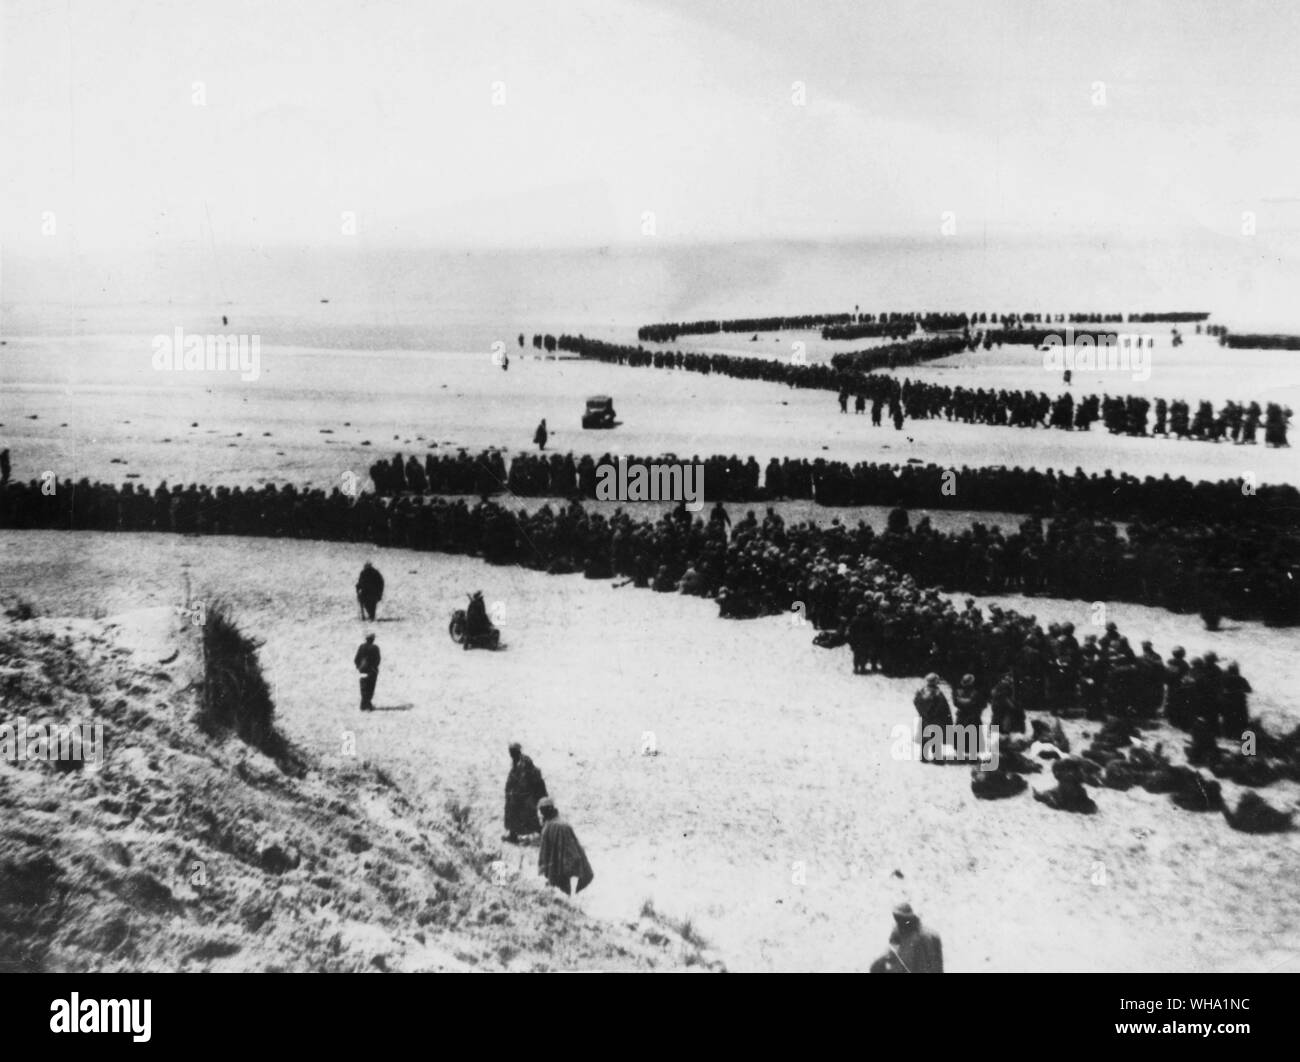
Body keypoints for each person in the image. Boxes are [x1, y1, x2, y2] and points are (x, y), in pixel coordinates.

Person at [537, 797, 594, 895]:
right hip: (566, 866)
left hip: (554, 870)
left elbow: (544, 852)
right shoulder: (565, 824)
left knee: (556, 891)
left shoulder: (548, 827)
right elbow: (576, 847)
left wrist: (543, 868)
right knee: (564, 888)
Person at [869, 903, 944, 973]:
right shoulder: (897, 931)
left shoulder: (926, 936)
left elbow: (935, 965)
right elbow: (890, 953)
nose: (898, 921)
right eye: (897, 919)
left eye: (901, 919)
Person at [503, 743, 548, 843]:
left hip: (526, 796)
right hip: (517, 796)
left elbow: (528, 780)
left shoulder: (525, 763)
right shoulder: (516, 762)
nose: (511, 755)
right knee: (512, 814)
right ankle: (513, 835)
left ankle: (544, 835)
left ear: (517, 752)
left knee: (530, 818)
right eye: (511, 753)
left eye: (513, 752)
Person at [354, 633, 380, 712]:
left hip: (362, 670)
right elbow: (377, 659)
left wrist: (359, 667)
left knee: (363, 688)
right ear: (373, 639)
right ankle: (367, 704)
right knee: (370, 688)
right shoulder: (375, 648)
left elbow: (356, 659)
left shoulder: (361, 647)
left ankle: (363, 704)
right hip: (372, 671)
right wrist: (374, 668)